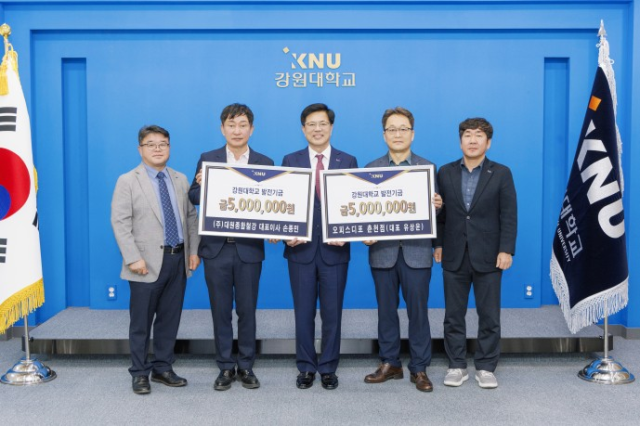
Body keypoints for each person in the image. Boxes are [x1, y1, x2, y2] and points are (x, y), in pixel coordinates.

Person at [189, 103, 274, 391]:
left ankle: (246, 365)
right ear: (222, 128)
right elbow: (193, 196)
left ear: (252, 129)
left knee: (247, 311)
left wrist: (278, 228)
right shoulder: (208, 159)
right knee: (220, 311)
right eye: (231, 125)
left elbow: (275, 204)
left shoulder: (264, 162)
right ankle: (225, 366)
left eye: (242, 125)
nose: (237, 131)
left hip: (249, 250)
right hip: (216, 249)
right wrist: (203, 184)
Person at [111, 125, 200, 395]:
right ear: (140, 149)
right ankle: (139, 373)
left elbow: (191, 218)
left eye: (163, 143)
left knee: (169, 320)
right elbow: (120, 222)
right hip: (144, 263)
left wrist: (193, 251)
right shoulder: (128, 180)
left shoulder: (181, 179)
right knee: (141, 323)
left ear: (169, 148)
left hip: (177, 259)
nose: (158, 148)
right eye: (151, 144)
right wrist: (132, 258)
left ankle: (163, 368)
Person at [434, 117, 517, 389]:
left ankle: (486, 367)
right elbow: (441, 216)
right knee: (453, 316)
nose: (472, 140)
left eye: (479, 135)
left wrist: (506, 249)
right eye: (468, 135)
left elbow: (508, 215)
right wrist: (438, 244)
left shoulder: (501, 173)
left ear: (488, 142)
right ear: (460, 141)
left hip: (490, 255)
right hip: (454, 254)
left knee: (489, 316)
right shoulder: (445, 172)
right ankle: (457, 365)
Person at [363, 107, 442, 393]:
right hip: (382, 252)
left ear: (412, 133)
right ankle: (390, 363)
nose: (398, 134)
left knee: (418, 313)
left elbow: (437, 214)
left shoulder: (428, 168)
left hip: (417, 252)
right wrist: (364, 233)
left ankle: (419, 367)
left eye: (403, 129)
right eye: (392, 129)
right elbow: (363, 210)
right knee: (386, 311)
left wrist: (437, 207)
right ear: (384, 134)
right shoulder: (371, 168)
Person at [280, 103, 358, 390]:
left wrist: (347, 232)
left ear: (331, 127)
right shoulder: (291, 159)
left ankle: (327, 367)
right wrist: (285, 232)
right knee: (303, 313)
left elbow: (355, 203)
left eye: (322, 123)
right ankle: (305, 366)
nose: (317, 129)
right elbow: (281, 203)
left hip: (334, 251)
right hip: (299, 250)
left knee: (332, 314)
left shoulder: (347, 160)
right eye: (311, 124)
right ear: (303, 129)